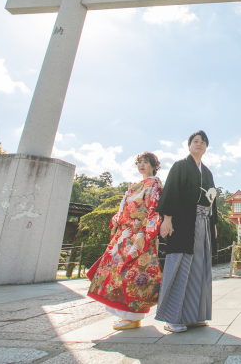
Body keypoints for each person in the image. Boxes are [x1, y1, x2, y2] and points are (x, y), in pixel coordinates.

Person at [86, 152, 164, 330]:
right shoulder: (134, 186)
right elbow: (123, 210)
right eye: (140, 163)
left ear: (154, 165)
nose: (142, 166)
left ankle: (132, 316)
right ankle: (127, 316)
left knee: (133, 273)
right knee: (117, 272)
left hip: (139, 234)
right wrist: (119, 220)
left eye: (146, 162)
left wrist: (143, 233)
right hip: (125, 234)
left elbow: (152, 209)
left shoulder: (154, 184)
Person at [154, 130, 218, 333]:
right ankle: (172, 317)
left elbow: (212, 202)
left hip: (203, 224)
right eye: (195, 141)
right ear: (189, 145)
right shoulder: (180, 166)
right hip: (182, 223)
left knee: (199, 269)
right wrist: (167, 219)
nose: (199, 144)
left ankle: (194, 316)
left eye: (203, 142)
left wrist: (213, 225)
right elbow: (171, 191)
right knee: (179, 267)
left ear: (206, 148)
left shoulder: (207, 173)